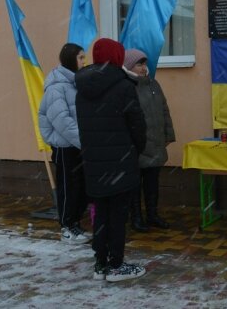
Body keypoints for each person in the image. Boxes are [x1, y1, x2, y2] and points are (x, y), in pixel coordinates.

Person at [75, 38, 147, 282]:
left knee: (101, 216)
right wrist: (136, 150)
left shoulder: (82, 88)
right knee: (118, 215)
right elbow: (137, 126)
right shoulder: (123, 86)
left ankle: (100, 264)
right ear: (117, 57)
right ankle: (116, 265)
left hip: (94, 165)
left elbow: (85, 127)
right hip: (120, 163)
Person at [38, 43, 90, 244]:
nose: (84, 62)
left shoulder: (75, 84)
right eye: (80, 58)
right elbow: (62, 121)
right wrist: (84, 141)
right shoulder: (56, 88)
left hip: (77, 146)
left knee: (80, 187)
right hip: (65, 147)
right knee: (68, 188)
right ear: (70, 60)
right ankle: (67, 227)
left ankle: (75, 224)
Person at [122, 49, 176, 232]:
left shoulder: (154, 84)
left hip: (156, 142)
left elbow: (164, 110)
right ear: (129, 66)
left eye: (144, 64)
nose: (144, 68)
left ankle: (152, 215)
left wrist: (168, 134)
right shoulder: (127, 87)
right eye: (139, 64)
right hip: (138, 145)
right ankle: (136, 218)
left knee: (152, 183)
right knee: (135, 184)